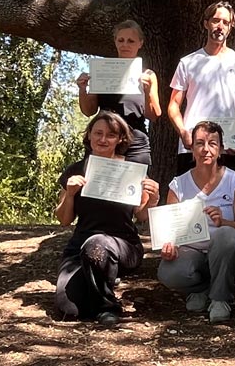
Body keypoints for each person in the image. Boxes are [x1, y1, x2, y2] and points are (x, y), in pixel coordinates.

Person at [54, 111, 160, 326]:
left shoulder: (132, 171)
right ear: (89, 136)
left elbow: (140, 215)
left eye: (110, 135)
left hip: (123, 246)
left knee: (98, 245)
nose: (103, 139)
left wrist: (153, 199)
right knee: (69, 308)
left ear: (120, 139)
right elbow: (64, 220)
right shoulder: (76, 171)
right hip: (79, 247)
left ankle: (108, 308)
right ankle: (101, 276)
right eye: (98, 133)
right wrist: (71, 193)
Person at [157, 121, 235, 324]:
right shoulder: (178, 184)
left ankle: (220, 299)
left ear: (221, 150)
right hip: (193, 253)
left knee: (227, 235)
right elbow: (169, 230)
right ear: (191, 149)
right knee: (167, 272)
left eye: (212, 143)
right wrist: (169, 245)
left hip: (228, 253)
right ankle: (201, 289)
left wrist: (225, 222)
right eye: (199, 143)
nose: (205, 149)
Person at [168, 1, 235, 173]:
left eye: (225, 22)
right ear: (206, 23)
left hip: (228, 149)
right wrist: (183, 132)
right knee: (189, 200)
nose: (220, 26)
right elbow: (173, 106)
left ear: (231, 27)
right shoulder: (187, 62)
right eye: (216, 20)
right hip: (193, 148)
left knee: (231, 200)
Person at [76, 19, 162, 166]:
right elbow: (88, 111)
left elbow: (154, 115)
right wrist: (83, 89)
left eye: (131, 41)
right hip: (104, 139)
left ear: (140, 43)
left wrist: (147, 92)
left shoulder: (148, 75)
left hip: (135, 142)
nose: (125, 45)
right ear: (115, 41)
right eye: (121, 40)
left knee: (135, 187)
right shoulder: (102, 70)